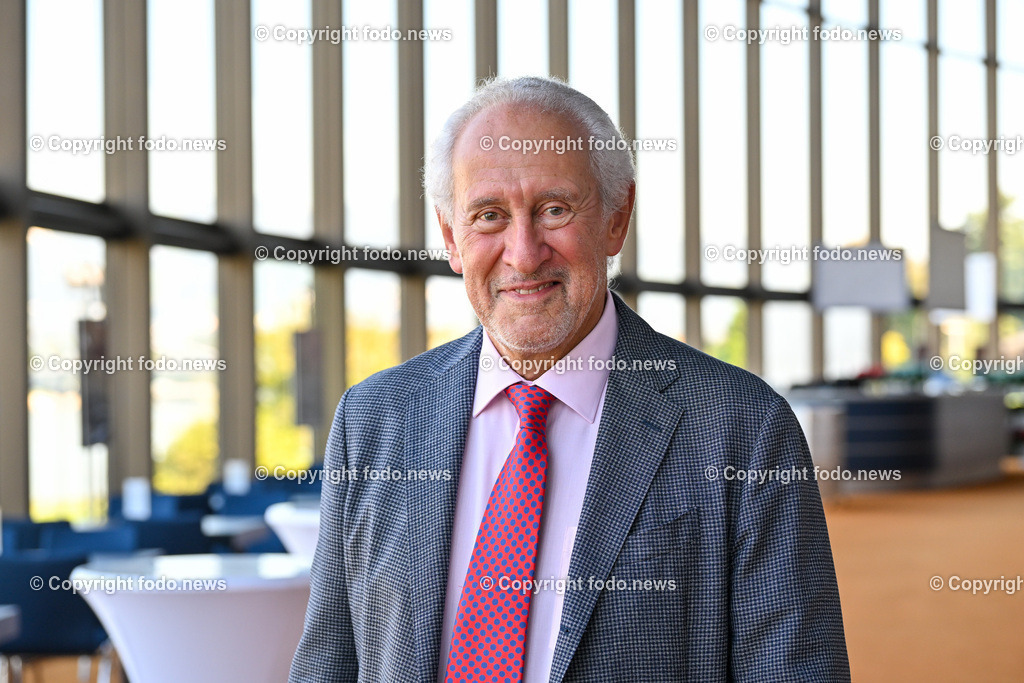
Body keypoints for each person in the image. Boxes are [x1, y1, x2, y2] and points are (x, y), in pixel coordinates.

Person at [290, 76, 850, 682]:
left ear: (617, 218)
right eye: (489, 216)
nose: (524, 253)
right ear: (451, 237)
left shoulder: (742, 428)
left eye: (554, 210)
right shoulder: (374, 419)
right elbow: (329, 663)